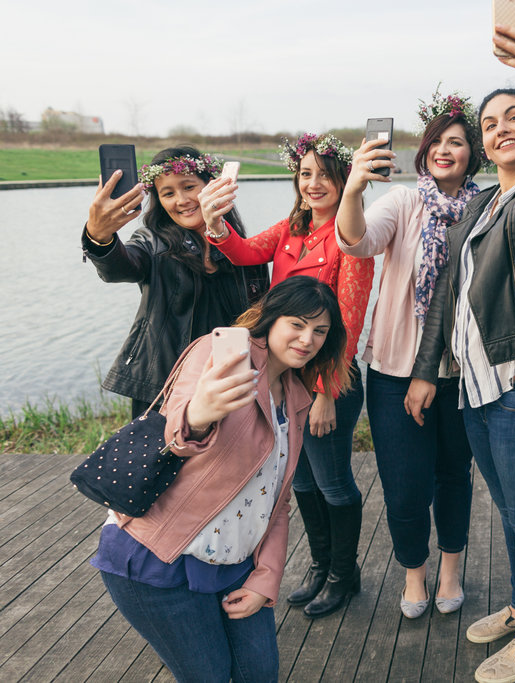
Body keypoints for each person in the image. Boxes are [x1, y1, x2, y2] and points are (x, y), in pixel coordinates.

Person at [404, 1, 515, 679]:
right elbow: (446, 300)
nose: (501, 129)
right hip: (475, 391)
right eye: (489, 123)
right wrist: (427, 370)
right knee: (509, 514)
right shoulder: (480, 205)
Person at [92, 275, 346, 682]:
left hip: (234, 561)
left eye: (320, 331)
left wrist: (267, 579)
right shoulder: (216, 353)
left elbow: (277, 503)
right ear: (270, 318)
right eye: (297, 324)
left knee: (259, 673)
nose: (307, 339)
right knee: (208, 675)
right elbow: (175, 435)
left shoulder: (296, 399)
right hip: (159, 555)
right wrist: (198, 415)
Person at [197, 133, 374, 618]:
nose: (313, 184)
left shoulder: (351, 235)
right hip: (288, 375)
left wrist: (326, 392)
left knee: (333, 483)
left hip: (329, 376)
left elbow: (350, 321)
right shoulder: (292, 228)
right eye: (305, 173)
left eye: (325, 175)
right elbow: (244, 252)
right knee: (299, 481)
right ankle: (320, 566)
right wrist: (215, 225)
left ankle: (343, 575)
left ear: (345, 180)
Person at [335, 89, 481, 618]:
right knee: (403, 486)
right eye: (437, 141)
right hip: (396, 370)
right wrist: (353, 187)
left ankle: (451, 571)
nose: (445, 150)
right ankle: (414, 574)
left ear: (473, 153)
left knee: (453, 477)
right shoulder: (402, 201)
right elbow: (357, 241)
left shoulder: (486, 208)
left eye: (457, 142)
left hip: (461, 372)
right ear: (423, 150)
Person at [82, 146, 269, 418]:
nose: (181, 200)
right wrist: (99, 237)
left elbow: (262, 316)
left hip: (231, 382)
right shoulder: (151, 242)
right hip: (165, 387)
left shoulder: (245, 249)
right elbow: (121, 268)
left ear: (212, 186)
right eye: (168, 193)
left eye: (189, 187)